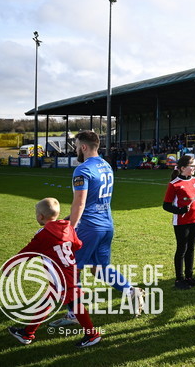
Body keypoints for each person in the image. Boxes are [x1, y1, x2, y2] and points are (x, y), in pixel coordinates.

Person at [49, 131, 144, 327]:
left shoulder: (82, 169)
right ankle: (131, 290)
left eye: (76, 145)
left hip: (88, 227)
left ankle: (73, 314)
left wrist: (70, 227)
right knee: (99, 269)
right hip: (106, 224)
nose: (75, 149)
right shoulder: (106, 165)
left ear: (83, 147)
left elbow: (80, 203)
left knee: (72, 269)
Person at [6, 198, 101, 348]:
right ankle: (27, 333)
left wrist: (10, 265)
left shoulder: (43, 234)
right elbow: (78, 244)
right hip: (69, 270)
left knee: (74, 303)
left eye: (37, 213)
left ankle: (92, 335)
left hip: (61, 275)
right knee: (49, 301)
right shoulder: (68, 227)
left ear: (41, 217)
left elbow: (28, 252)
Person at [163, 155, 195, 290]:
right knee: (182, 249)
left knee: (191, 249)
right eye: (192, 166)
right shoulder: (174, 184)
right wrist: (179, 210)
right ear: (182, 168)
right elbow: (166, 205)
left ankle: (189, 276)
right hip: (181, 222)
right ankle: (179, 279)